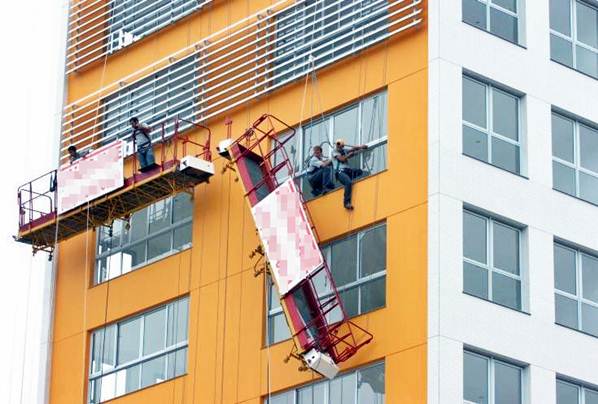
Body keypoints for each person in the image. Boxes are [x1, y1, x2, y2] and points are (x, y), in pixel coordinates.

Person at [332, 139, 368, 210]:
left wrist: (361, 147)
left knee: (360, 172)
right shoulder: (334, 152)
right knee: (348, 182)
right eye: (339, 147)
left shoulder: (344, 151)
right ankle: (346, 203)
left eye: (341, 147)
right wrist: (349, 155)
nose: (340, 149)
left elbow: (353, 149)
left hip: (347, 171)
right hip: (340, 172)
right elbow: (341, 159)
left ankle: (352, 182)